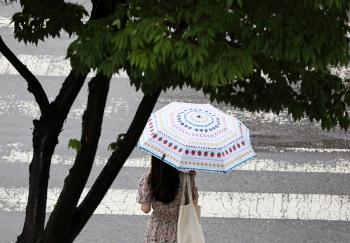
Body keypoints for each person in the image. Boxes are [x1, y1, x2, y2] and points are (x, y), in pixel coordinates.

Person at [137, 156, 199, 243]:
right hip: (180, 231)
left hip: (156, 230)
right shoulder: (186, 177)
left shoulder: (149, 178)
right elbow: (194, 204)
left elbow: (145, 209)